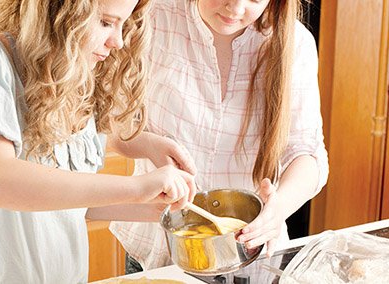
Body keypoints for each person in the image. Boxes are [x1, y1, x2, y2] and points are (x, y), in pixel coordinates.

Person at [0, 0, 198, 283]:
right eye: (106, 22)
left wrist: (159, 207)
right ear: (60, 11)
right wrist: (136, 187)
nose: (118, 41)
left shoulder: (78, 76)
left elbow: (70, 201)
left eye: (123, 24)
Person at [109, 0, 329, 273]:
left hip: (251, 257)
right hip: (157, 253)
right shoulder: (151, 17)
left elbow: (307, 154)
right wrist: (146, 144)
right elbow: (108, 128)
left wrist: (278, 209)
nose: (235, 9)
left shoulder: (296, 44)